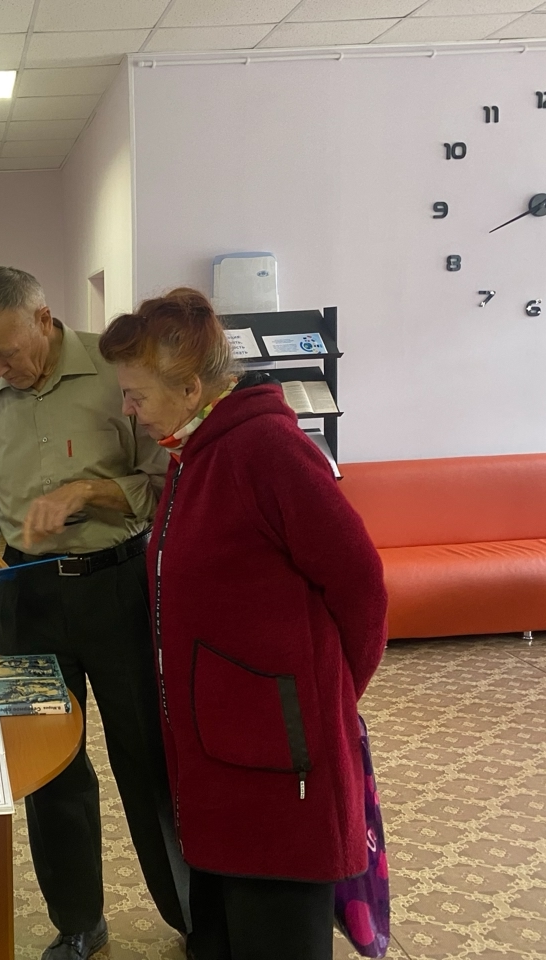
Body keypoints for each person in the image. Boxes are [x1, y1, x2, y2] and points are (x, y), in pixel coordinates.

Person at [97, 288, 388, 960]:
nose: (128, 409)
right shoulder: (194, 451)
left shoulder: (268, 449)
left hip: (279, 766)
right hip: (221, 754)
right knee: (222, 933)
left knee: (276, 935)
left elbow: (361, 586)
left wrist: (324, 700)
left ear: (190, 388)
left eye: (136, 395)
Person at [0, 266, 188, 960]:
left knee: (146, 758)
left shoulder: (118, 373)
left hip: (115, 587)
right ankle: (79, 922)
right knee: (48, 766)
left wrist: (88, 491)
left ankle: (190, 913)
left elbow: (163, 484)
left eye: (7, 353)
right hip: (23, 598)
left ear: (44, 319)